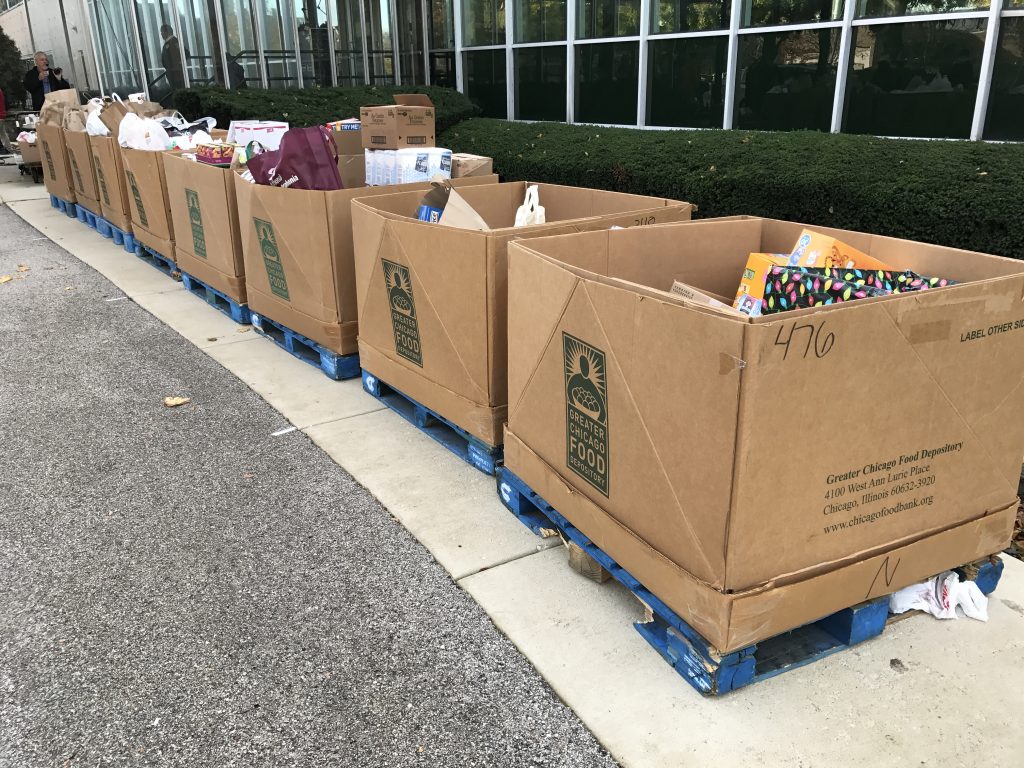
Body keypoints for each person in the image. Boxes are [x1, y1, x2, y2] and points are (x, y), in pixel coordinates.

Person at [160, 25, 186, 91]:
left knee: (178, 91)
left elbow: (186, 53)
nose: (161, 34)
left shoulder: (174, 42)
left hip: (176, 73)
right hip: (172, 73)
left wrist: (179, 63)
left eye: (162, 32)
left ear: (167, 32)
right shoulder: (169, 43)